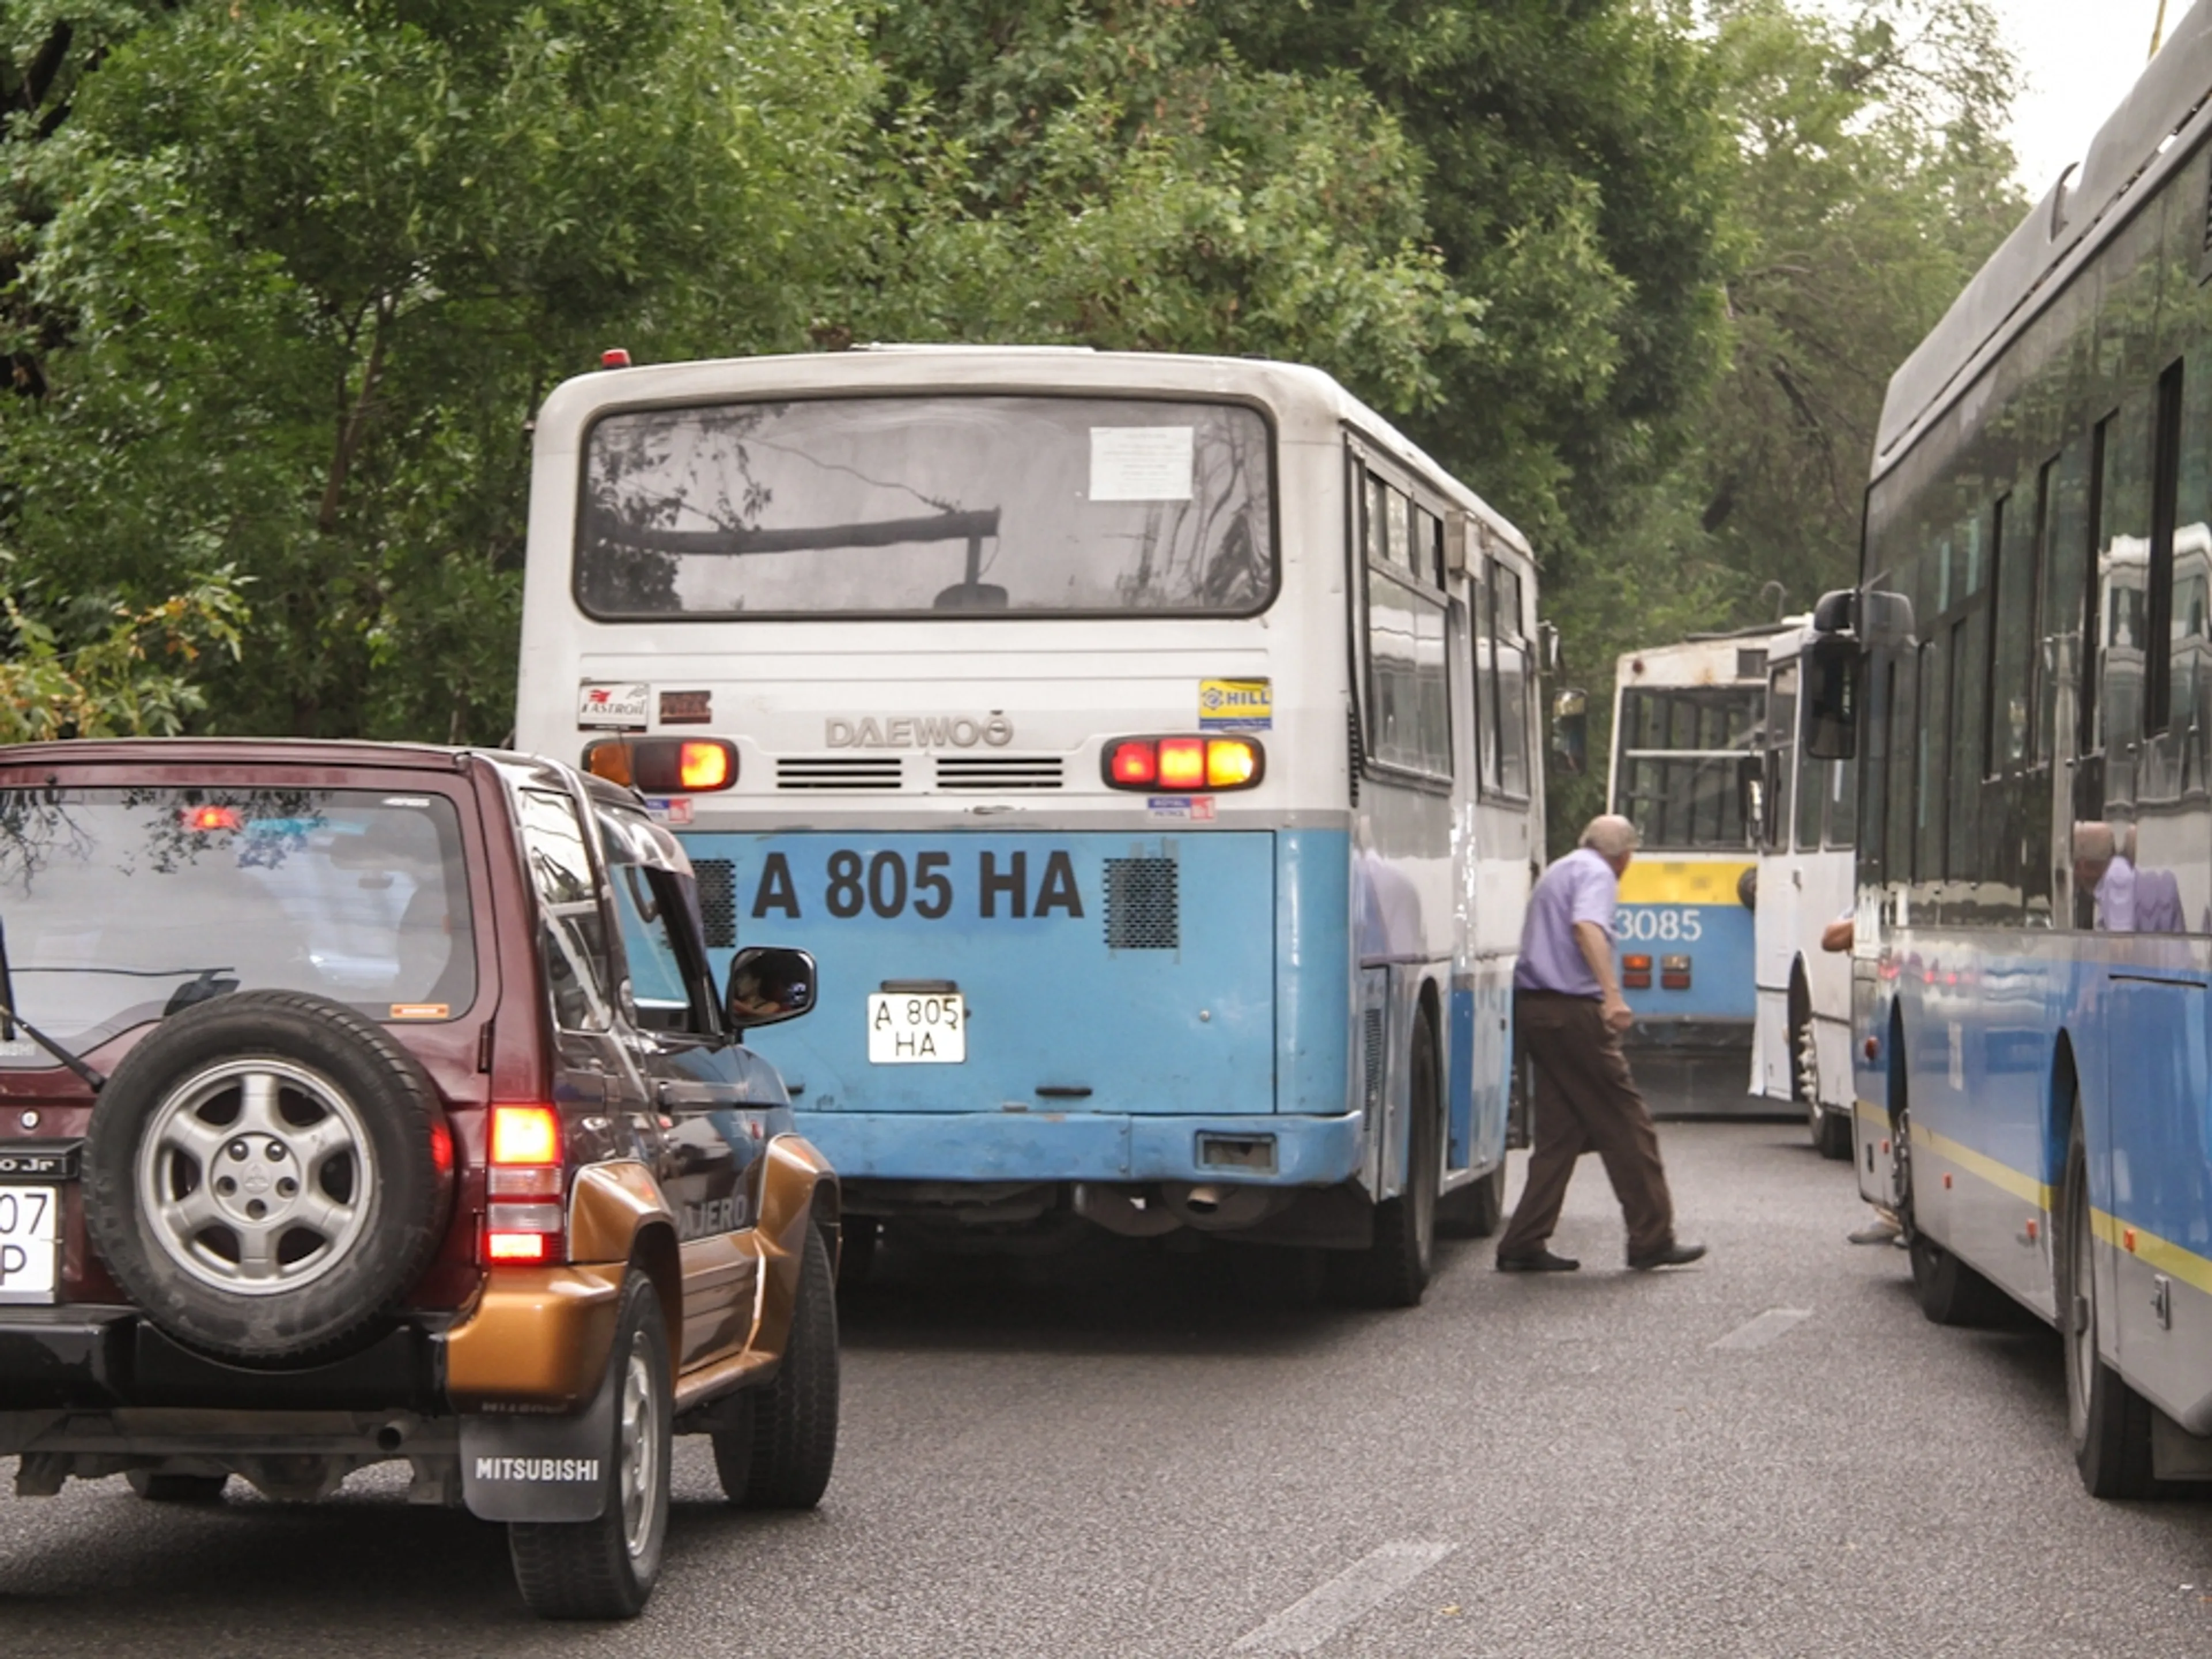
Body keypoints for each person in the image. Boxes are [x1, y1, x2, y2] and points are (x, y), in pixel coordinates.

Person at [1494, 815, 1706, 1272]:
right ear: (1626, 857)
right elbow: (1587, 927)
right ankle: (1652, 1237)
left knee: (1561, 1130)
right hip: (1573, 1012)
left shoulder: (1563, 867)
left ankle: (1523, 1240)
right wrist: (1612, 994)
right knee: (1628, 1121)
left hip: (1537, 1008)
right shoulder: (1597, 874)